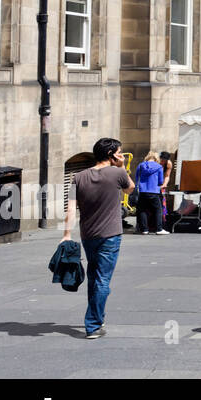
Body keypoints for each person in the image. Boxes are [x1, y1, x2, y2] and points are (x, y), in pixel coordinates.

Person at [62, 137, 134, 338]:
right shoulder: (118, 173)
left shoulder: (78, 177)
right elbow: (131, 189)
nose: (121, 155)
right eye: (119, 152)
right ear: (111, 155)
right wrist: (123, 167)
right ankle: (93, 325)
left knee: (94, 277)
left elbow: (70, 209)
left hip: (88, 235)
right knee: (102, 280)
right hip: (110, 234)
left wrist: (67, 234)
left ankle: (98, 318)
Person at [134, 150, 167, 234]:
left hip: (142, 191)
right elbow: (160, 181)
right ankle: (159, 229)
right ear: (156, 158)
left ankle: (144, 229)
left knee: (142, 210)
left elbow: (137, 178)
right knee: (158, 210)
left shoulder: (141, 166)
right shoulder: (159, 167)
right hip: (154, 192)